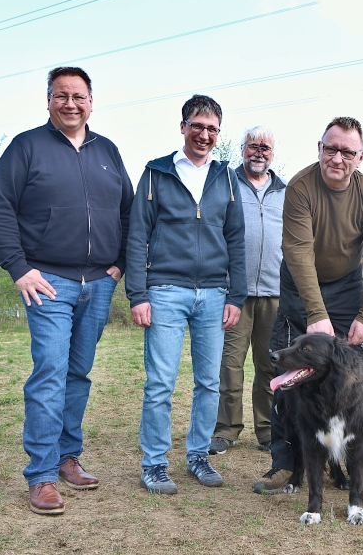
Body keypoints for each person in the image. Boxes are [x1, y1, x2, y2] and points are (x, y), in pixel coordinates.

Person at [0, 66, 134, 515]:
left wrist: (120, 264)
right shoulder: (26, 147)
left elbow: (128, 213)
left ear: (92, 101)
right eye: (61, 95)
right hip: (48, 281)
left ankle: (68, 457)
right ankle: (42, 476)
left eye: (79, 96)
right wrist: (19, 269)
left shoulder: (107, 150)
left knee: (78, 373)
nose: (71, 103)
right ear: (48, 99)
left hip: (99, 283)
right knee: (50, 372)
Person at [252, 116, 363, 496]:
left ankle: (362, 461)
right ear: (320, 148)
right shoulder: (300, 186)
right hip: (300, 283)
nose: (337, 158)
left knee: (360, 374)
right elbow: (297, 252)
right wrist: (316, 315)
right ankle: (284, 464)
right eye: (331, 149)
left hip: (347, 285)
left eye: (347, 151)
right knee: (286, 373)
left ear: (361, 156)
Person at [125, 94, 246, 494]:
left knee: (209, 382)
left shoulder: (226, 177)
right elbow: (138, 234)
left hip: (213, 294)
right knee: (160, 383)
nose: (205, 134)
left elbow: (236, 239)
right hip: (164, 291)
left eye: (212, 128)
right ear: (183, 127)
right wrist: (137, 294)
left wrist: (236, 296)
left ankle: (198, 456)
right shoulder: (156, 173)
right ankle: (154, 463)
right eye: (197, 125)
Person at [209, 126, 286, 455]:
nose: (259, 152)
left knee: (270, 367)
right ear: (242, 149)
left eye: (265, 148)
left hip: (275, 293)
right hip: (234, 294)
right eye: (253, 146)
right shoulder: (225, 183)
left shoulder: (287, 191)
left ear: (273, 153)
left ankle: (268, 431)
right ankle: (226, 430)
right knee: (230, 365)